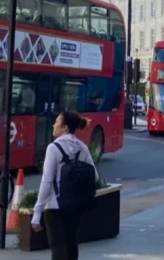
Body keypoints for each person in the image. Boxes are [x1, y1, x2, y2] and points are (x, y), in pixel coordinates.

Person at [31, 111, 98, 260]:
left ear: (65, 127)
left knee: (58, 248)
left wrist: (37, 213)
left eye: (57, 122)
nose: (53, 125)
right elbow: (95, 176)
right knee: (72, 245)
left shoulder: (53, 148)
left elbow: (47, 181)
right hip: (76, 205)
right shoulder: (83, 148)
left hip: (55, 206)